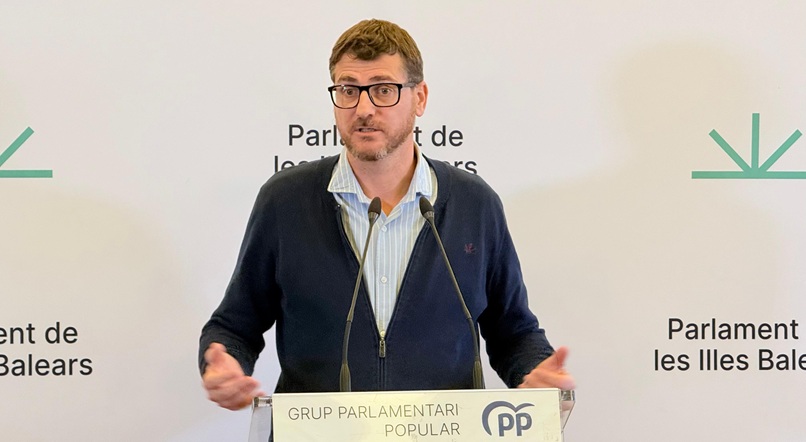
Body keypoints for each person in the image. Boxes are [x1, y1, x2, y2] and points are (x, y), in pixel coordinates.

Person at [199, 18, 575, 411]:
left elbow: (513, 332)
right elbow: (233, 326)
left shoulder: (474, 204)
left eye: (383, 90)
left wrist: (537, 373)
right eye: (348, 90)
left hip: (441, 432)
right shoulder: (285, 201)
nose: (363, 109)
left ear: (420, 98)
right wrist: (223, 364)